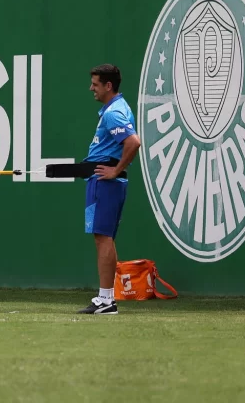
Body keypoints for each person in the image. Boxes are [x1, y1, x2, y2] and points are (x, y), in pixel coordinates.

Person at [77, 64, 141, 315]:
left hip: (106, 182)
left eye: (95, 84)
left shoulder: (114, 112)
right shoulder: (115, 110)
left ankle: (105, 300)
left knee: (102, 237)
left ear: (108, 86)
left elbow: (133, 142)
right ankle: (106, 298)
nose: (91, 88)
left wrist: (114, 171)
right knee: (103, 237)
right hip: (104, 181)